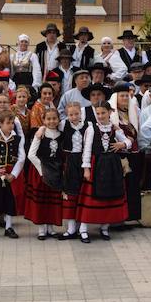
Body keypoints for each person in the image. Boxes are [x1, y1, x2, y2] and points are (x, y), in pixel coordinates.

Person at [76, 103, 130, 242]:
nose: (100, 116)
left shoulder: (114, 128)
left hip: (112, 166)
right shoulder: (92, 128)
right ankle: (83, 229)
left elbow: (128, 141)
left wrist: (122, 144)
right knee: (91, 198)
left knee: (109, 197)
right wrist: (86, 168)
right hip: (97, 165)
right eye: (98, 113)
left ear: (110, 112)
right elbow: (87, 149)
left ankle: (104, 227)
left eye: (103, 113)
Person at [0, 111, 26, 239]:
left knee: (10, 199)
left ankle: (9, 227)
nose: (11, 126)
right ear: (0, 124)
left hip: (11, 173)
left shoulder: (17, 139)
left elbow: (21, 158)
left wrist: (13, 174)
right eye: (8, 123)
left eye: (12, 123)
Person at [26, 108, 65, 239]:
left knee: (52, 200)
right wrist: (42, 170)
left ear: (58, 120)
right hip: (41, 171)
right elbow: (31, 155)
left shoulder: (61, 134)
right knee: (41, 201)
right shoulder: (40, 134)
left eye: (54, 118)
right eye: (48, 119)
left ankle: (51, 227)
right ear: (43, 120)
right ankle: (42, 229)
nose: (51, 121)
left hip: (56, 171)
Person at [57, 102, 93, 240]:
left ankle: (83, 228)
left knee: (82, 194)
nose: (73, 117)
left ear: (80, 113)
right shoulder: (63, 125)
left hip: (83, 160)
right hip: (69, 160)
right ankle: (71, 228)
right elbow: (51, 128)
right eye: (70, 114)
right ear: (67, 114)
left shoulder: (88, 126)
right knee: (70, 193)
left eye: (76, 113)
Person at [109, 83, 142, 222]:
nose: (124, 98)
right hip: (118, 155)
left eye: (126, 96)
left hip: (134, 154)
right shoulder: (111, 113)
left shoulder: (135, 110)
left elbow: (139, 130)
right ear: (116, 97)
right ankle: (117, 217)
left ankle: (132, 216)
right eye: (121, 95)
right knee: (119, 186)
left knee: (132, 185)